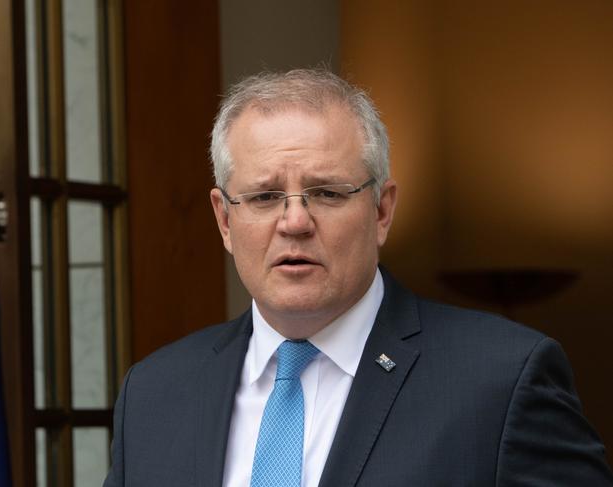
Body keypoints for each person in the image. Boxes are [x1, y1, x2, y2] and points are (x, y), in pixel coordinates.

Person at [104, 69, 613, 486]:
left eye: (327, 192)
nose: (295, 222)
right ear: (224, 220)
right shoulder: (153, 395)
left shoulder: (502, 381)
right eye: (263, 197)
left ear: (381, 211)